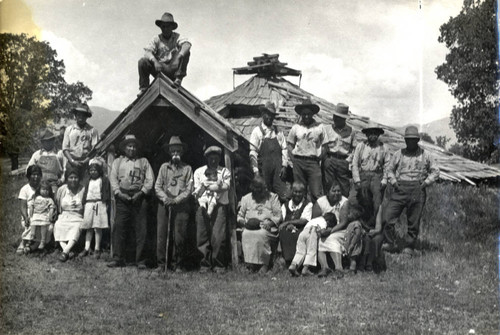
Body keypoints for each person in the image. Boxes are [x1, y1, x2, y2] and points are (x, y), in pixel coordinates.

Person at [384, 125, 439, 256]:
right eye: (408, 139)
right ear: (405, 140)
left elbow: (436, 171)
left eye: (413, 139)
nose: (410, 142)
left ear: (418, 140)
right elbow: (389, 169)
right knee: (387, 217)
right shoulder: (398, 154)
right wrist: (394, 182)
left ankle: (408, 247)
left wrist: (425, 183)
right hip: (400, 187)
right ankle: (390, 243)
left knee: (413, 220)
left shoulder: (426, 155)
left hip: (417, 189)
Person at [108, 135, 154, 269]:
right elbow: (113, 179)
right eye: (129, 146)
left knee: (141, 229)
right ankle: (118, 258)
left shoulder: (143, 161)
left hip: (139, 197)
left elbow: (150, 180)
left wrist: (142, 192)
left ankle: (140, 261)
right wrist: (119, 193)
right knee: (119, 227)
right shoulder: (118, 162)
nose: (132, 148)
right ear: (124, 148)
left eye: (134, 146)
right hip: (122, 197)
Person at [155, 136, 193, 272]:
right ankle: (161, 264)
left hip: (181, 205)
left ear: (182, 152)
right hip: (164, 204)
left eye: (178, 151)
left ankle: (178, 264)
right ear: (169, 152)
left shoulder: (187, 169)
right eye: (173, 152)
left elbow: (189, 189)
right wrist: (166, 199)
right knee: (162, 234)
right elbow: (157, 186)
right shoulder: (163, 168)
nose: (175, 154)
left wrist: (176, 200)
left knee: (179, 235)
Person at [194, 146, 231, 273]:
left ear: (220, 158)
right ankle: (205, 264)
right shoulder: (199, 172)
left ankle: (218, 264)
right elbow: (198, 190)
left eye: (216, 158)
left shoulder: (225, 171)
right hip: (202, 204)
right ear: (207, 158)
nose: (213, 161)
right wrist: (202, 203)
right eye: (211, 158)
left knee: (218, 236)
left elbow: (226, 186)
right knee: (202, 235)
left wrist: (212, 188)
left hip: (219, 204)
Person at [138, 12, 191, 94]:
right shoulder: (156, 39)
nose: (165, 29)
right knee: (142, 61)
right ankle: (144, 88)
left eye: (168, 26)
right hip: (160, 69)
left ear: (172, 28)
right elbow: (147, 52)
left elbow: (187, 45)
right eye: (163, 26)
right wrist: (155, 61)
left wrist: (179, 57)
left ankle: (178, 79)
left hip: (173, 68)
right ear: (160, 27)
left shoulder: (177, 37)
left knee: (186, 52)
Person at [237, 176, 282, 274]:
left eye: (266, 187)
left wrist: (270, 223)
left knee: (261, 234)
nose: (265, 190)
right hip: (250, 226)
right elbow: (240, 216)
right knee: (246, 234)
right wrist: (245, 223)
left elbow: (278, 215)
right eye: (262, 188)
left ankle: (264, 264)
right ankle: (250, 264)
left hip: (267, 226)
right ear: (255, 189)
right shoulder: (246, 199)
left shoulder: (272, 197)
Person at [287, 99, 328, 202]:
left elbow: (325, 145)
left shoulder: (320, 127)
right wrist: (294, 160)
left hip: (313, 162)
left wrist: (319, 157)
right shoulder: (296, 127)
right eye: (304, 114)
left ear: (312, 114)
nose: (306, 116)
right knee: (299, 191)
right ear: (301, 114)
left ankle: (317, 215)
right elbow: (290, 145)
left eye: (308, 114)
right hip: (298, 162)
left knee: (316, 192)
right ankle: (301, 215)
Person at [249, 101, 289, 202]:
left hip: (277, 171)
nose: (269, 117)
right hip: (264, 171)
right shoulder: (257, 132)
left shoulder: (278, 132)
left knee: (282, 194)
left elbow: (284, 148)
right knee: (264, 194)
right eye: (267, 114)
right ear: (263, 114)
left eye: (272, 115)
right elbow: (253, 153)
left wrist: (284, 165)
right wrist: (256, 172)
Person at [350, 121, 390, 211]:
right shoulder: (361, 146)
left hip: (377, 176)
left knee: (377, 200)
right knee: (353, 199)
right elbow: (355, 163)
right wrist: (357, 180)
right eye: (370, 133)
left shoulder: (384, 148)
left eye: (375, 133)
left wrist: (384, 180)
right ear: (366, 134)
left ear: (379, 135)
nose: (373, 135)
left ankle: (375, 223)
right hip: (363, 175)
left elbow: (387, 165)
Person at [344, 188, 386, 273]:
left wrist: (374, 231)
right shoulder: (356, 208)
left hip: (374, 231)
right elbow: (354, 224)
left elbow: (378, 227)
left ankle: (369, 262)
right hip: (360, 231)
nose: (366, 205)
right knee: (364, 238)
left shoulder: (377, 207)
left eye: (368, 202)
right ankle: (362, 263)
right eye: (364, 203)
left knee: (376, 239)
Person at [313, 184, 350, 277]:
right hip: (323, 229)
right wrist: (322, 231)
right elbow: (315, 220)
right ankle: (324, 267)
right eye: (334, 191)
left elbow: (343, 222)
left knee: (331, 239)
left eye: (339, 191)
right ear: (327, 193)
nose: (337, 193)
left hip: (340, 230)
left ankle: (338, 268)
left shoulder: (344, 202)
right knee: (320, 240)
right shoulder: (320, 202)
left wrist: (330, 231)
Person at [322, 103, 356, 197]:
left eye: (339, 117)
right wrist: (326, 160)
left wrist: (347, 162)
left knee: (344, 188)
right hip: (330, 160)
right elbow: (323, 147)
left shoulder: (351, 131)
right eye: (335, 116)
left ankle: (341, 209)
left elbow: (354, 150)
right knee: (328, 187)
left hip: (343, 162)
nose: (336, 119)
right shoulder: (327, 129)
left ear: (344, 119)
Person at [79, 158, 111, 259]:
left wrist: (105, 203)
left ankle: (97, 248)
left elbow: (106, 192)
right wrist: (83, 203)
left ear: (99, 171)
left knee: (97, 227)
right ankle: (87, 247)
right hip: (89, 204)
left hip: (99, 204)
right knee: (89, 227)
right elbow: (85, 193)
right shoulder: (88, 181)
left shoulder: (103, 180)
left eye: (95, 170)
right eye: (91, 170)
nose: (93, 172)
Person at [288, 212, 337, 277]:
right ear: (328, 221)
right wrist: (328, 231)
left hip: (303, 233)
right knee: (311, 251)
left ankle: (293, 265)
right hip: (312, 232)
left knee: (300, 251)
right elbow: (322, 232)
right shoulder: (323, 222)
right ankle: (305, 269)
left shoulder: (315, 219)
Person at [54, 167, 85, 262]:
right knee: (57, 225)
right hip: (64, 216)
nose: (73, 180)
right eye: (71, 177)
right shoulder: (62, 190)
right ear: (67, 178)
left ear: (79, 178)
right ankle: (66, 250)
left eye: (75, 177)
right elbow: (57, 203)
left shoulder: (83, 189)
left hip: (78, 217)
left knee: (76, 227)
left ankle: (65, 251)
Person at [278, 182, 312, 265]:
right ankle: (285, 259)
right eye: (295, 191)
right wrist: (287, 225)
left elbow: (304, 220)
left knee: (298, 235)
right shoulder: (285, 205)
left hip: (301, 228)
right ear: (292, 192)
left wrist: (289, 222)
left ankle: (296, 261)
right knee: (283, 232)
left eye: (300, 192)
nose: (297, 194)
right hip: (287, 227)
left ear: (304, 193)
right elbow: (281, 218)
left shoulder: (308, 204)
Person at [62, 104, 99, 179]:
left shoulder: (92, 130)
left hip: (86, 162)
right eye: (79, 115)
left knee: (85, 185)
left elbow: (95, 149)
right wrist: (72, 161)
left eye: (83, 115)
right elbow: (65, 148)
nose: (81, 118)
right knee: (71, 183)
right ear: (75, 116)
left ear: (87, 116)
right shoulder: (69, 129)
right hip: (72, 161)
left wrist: (85, 161)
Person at [17, 165, 45, 254]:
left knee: (45, 224)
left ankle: (32, 246)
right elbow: (23, 206)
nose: (36, 177)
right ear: (29, 176)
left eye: (37, 174)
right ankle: (23, 242)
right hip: (29, 214)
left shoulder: (44, 187)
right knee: (33, 221)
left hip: (42, 213)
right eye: (33, 174)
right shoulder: (25, 189)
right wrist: (26, 217)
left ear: (40, 176)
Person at [27, 129, 65, 194]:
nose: (48, 143)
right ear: (42, 142)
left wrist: (61, 180)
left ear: (54, 141)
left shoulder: (59, 153)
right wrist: (33, 181)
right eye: (46, 141)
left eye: (51, 140)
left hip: (54, 184)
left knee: (54, 199)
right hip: (40, 184)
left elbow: (65, 169)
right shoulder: (37, 154)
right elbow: (28, 169)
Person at [27, 181, 56, 251]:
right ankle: (32, 235)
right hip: (36, 214)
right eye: (43, 189)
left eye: (47, 190)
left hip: (44, 214)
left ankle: (43, 240)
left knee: (44, 225)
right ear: (39, 190)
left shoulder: (49, 199)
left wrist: (50, 215)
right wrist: (30, 212)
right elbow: (31, 205)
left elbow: (51, 207)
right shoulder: (36, 197)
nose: (45, 191)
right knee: (33, 222)